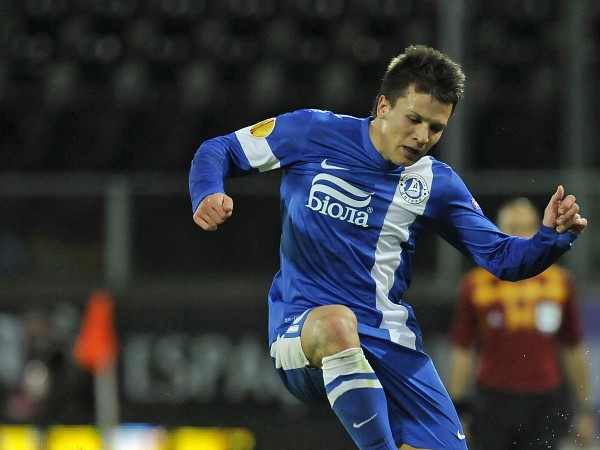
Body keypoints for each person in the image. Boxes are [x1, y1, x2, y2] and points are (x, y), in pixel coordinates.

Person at [189, 45, 587, 449]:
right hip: (303, 330)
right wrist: (207, 191)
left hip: (390, 344)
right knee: (337, 324)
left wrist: (550, 238)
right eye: (413, 119)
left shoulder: (436, 184)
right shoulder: (312, 131)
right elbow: (219, 149)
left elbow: (503, 259)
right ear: (383, 106)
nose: (422, 137)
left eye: (436, 128)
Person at [447, 197, 596, 450]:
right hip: (492, 400)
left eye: (527, 227)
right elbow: (462, 349)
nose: (520, 235)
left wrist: (585, 409)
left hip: (545, 400)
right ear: (498, 232)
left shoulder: (560, 282)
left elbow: (573, 347)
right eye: (512, 228)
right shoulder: (476, 284)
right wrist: (457, 410)